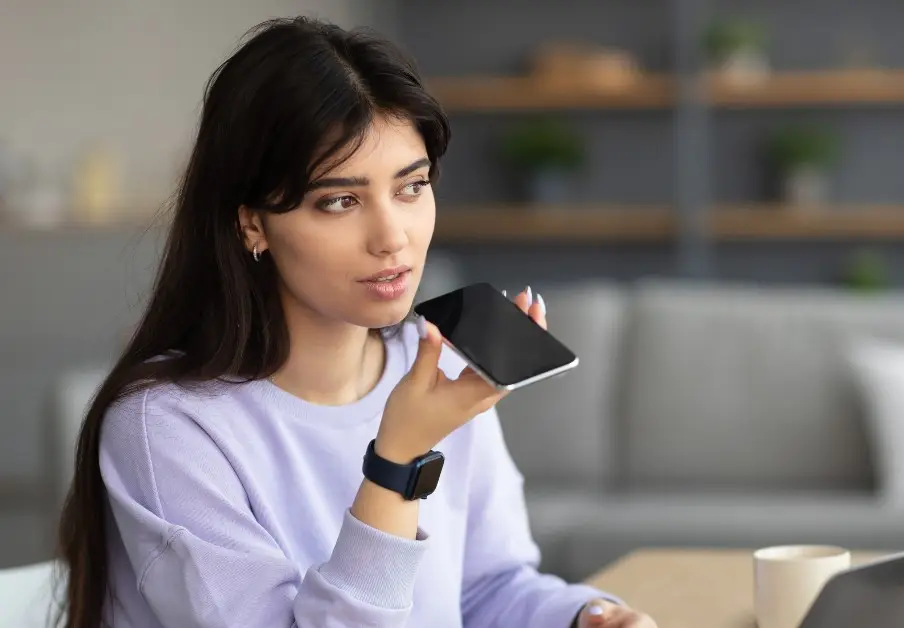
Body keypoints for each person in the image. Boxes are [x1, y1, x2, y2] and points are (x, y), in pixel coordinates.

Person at [55, 16, 657, 628]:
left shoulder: (440, 367)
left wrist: (587, 616)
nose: (392, 237)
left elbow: (485, 589)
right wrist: (397, 462)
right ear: (252, 224)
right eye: (340, 201)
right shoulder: (169, 427)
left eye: (411, 186)